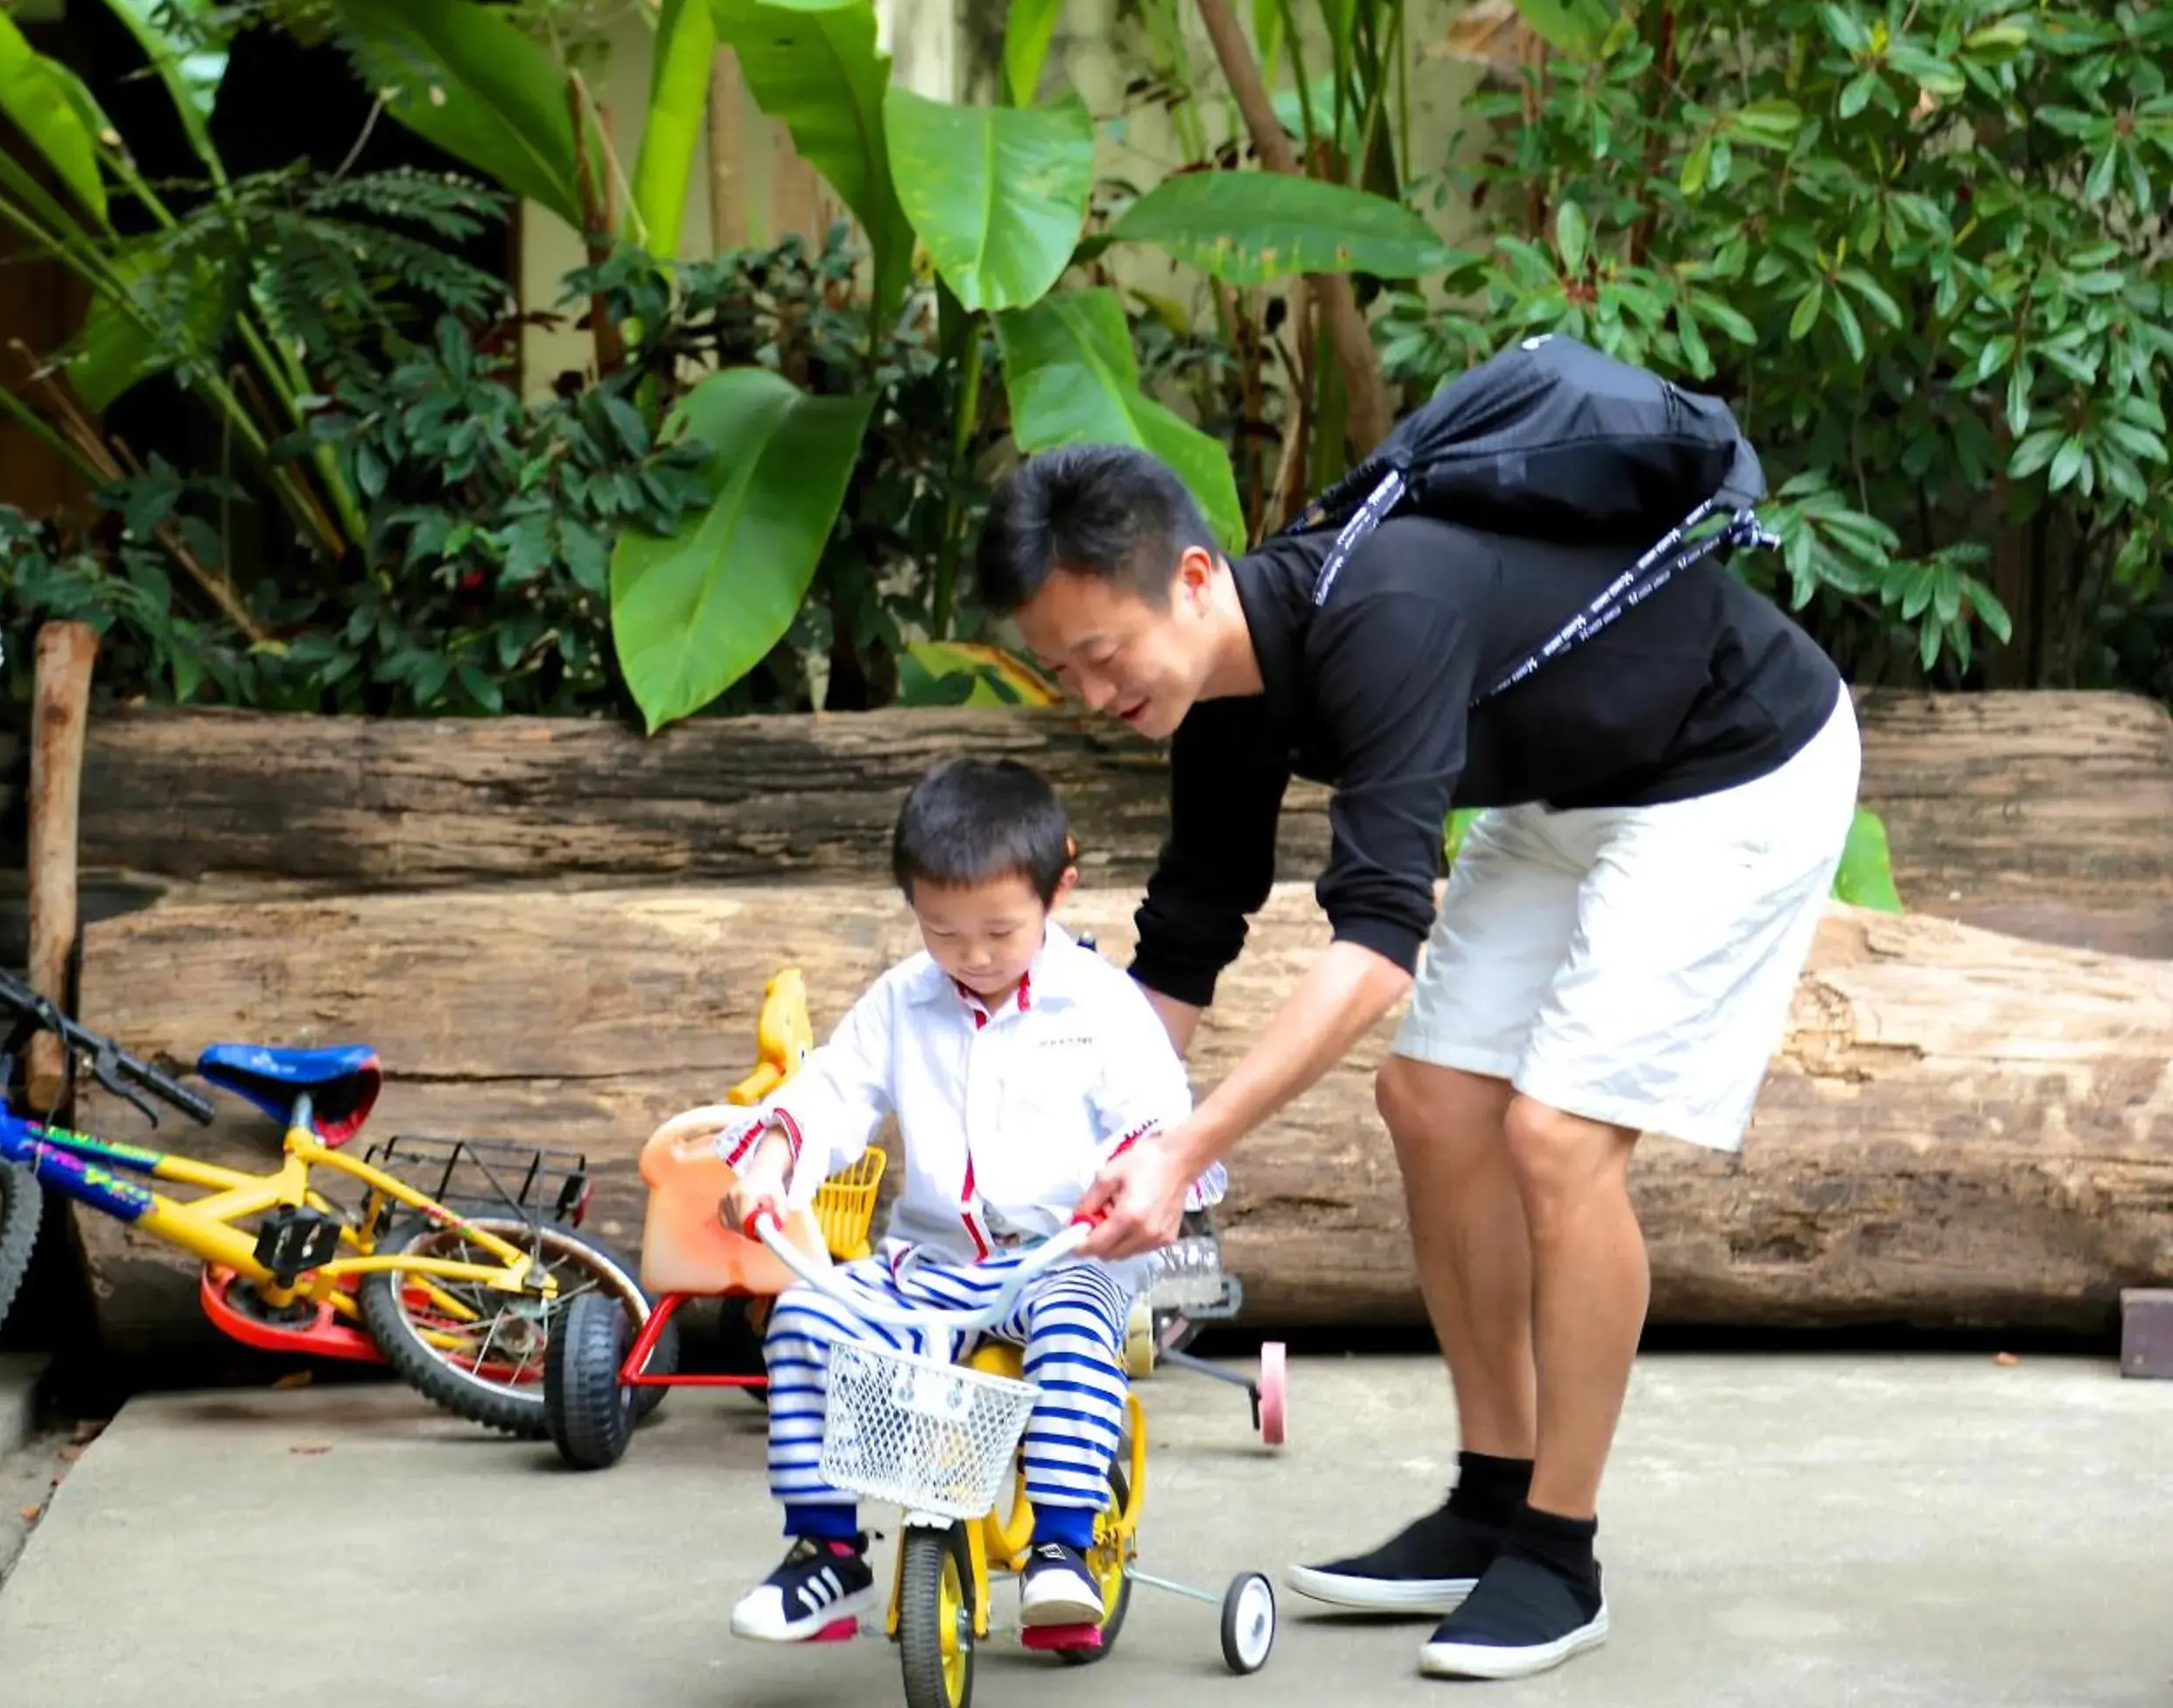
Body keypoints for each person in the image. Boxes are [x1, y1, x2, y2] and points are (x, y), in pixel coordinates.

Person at [973, 442, 1860, 1682]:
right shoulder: (1217, 697)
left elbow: (1378, 946)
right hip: (1567, 787)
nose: (1088, 693)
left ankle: (1560, 1549)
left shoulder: (1381, 610)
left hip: (1733, 764)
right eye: (1059, 672)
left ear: (1188, 577)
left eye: (1101, 655)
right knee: (1431, 1099)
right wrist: (1060, 1150)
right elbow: (1183, 947)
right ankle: (1493, 1497)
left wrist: (1183, 1149)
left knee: (1556, 1136)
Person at [715, 755, 1205, 1645]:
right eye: (943, 931)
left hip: (1066, 1253)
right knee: (802, 1319)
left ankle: (1061, 1543)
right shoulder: (902, 1000)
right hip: (931, 1263)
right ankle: (825, 1548)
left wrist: (1135, 1176)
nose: (972, 956)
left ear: (1061, 888)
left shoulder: (1099, 1003)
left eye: (999, 931)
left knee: (1071, 1332)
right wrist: (777, 1151)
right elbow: (833, 1091)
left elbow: (1159, 1115)